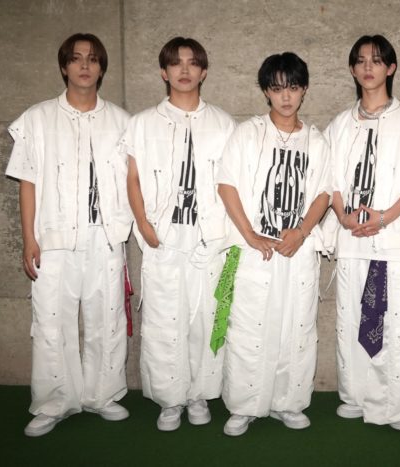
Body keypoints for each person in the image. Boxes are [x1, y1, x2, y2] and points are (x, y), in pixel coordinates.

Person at [6, 33, 132, 437]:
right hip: (54, 238)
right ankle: (54, 402)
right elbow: (27, 181)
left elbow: (133, 182)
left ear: (102, 67)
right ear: (64, 66)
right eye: (76, 59)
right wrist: (29, 238)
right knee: (50, 321)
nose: (84, 66)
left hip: (105, 236)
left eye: (92, 59)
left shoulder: (122, 121)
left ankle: (102, 395)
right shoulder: (38, 118)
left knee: (106, 317)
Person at [124, 36, 236, 431]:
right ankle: (170, 399)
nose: (184, 70)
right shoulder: (142, 123)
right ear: (164, 71)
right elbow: (133, 179)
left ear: (203, 71)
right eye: (176, 63)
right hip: (164, 233)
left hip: (209, 234)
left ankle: (199, 394)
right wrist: (144, 224)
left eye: (192, 63)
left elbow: (233, 183)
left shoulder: (223, 123)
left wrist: (224, 234)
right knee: (163, 317)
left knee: (206, 316)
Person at [217, 52, 331, 436]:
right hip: (254, 251)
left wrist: (302, 231)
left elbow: (324, 193)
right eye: (278, 88)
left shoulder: (316, 140)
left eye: (293, 88)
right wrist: (249, 234)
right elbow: (227, 185)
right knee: (248, 326)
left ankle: (289, 402)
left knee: (296, 326)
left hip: (297, 250)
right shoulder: (247, 133)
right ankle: (243, 406)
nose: (286, 96)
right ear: (266, 91)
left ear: (304, 90)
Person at [324, 34, 400, 431]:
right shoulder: (340, 124)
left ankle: (396, 406)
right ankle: (355, 395)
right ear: (352, 70)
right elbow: (329, 179)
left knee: (395, 321)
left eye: (376, 59)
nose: (368, 67)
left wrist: (385, 217)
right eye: (360, 60)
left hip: (395, 237)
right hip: (352, 237)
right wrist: (343, 215)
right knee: (353, 316)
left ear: (391, 67)